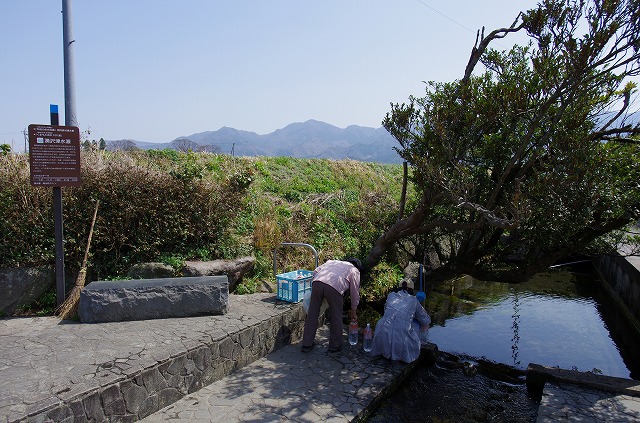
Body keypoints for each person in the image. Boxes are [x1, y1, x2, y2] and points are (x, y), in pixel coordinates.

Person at [301, 258, 362, 353]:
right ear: (357, 266)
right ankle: (335, 346)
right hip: (334, 288)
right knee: (336, 316)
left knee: (312, 313)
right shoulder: (354, 270)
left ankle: (306, 344)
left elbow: (316, 271)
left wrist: (316, 286)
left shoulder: (332, 262)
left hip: (317, 282)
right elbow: (354, 293)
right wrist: (354, 311)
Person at [370, 282, 431, 363]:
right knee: (420, 323)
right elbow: (425, 320)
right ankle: (422, 342)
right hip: (401, 339)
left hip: (381, 334)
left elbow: (386, 312)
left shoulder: (391, 295)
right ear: (411, 290)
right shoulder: (414, 300)